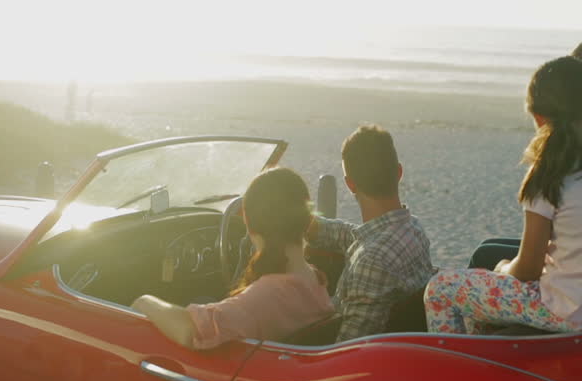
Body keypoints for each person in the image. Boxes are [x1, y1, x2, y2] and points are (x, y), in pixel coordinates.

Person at [425, 56, 582, 334]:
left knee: (440, 289)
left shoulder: (550, 173)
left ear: (539, 117)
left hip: (562, 310)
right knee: (480, 296)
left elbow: (528, 269)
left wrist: (503, 269)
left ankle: (457, 368)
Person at [131, 168, 334, 349]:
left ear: (249, 225)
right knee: (204, 301)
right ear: (307, 220)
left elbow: (191, 331)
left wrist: (144, 301)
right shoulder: (316, 279)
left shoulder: (265, 297)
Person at [308, 125, 434, 342]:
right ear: (399, 172)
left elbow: (347, 347)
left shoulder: (371, 261)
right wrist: (304, 225)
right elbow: (356, 236)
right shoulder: (413, 229)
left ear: (350, 185)